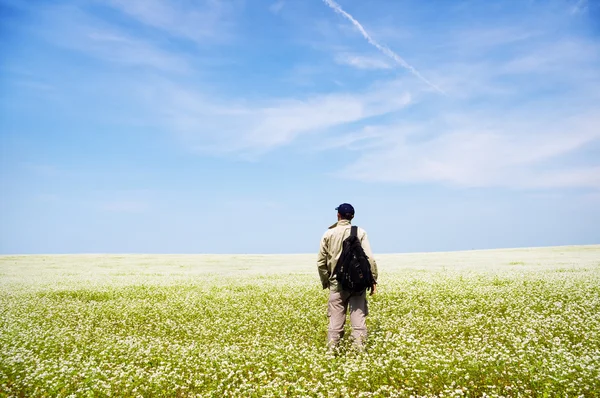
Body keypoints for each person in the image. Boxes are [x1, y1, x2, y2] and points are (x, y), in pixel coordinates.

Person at [317, 203, 378, 349]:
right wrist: (373, 280)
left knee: (335, 322)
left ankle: (333, 352)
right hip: (358, 284)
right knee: (358, 321)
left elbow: (321, 262)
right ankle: (359, 352)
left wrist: (327, 281)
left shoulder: (328, 234)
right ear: (353, 216)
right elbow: (369, 258)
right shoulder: (360, 232)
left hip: (336, 284)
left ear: (338, 215)